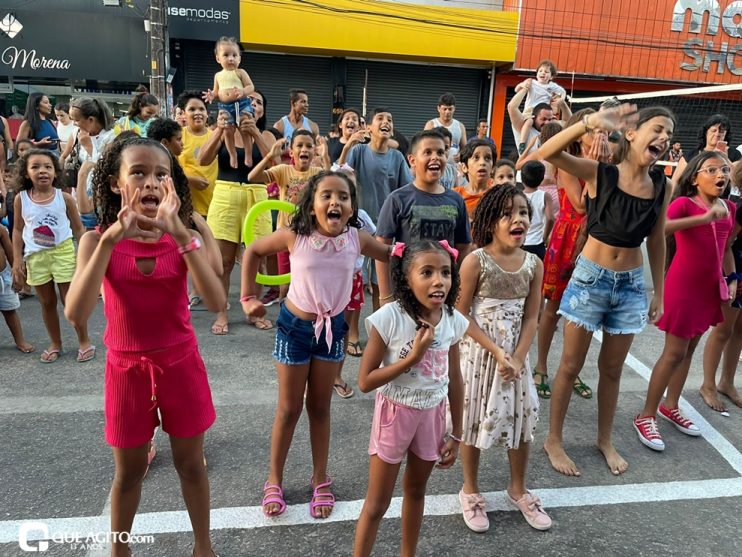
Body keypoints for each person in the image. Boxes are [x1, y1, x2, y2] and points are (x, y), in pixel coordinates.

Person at [64, 136, 224, 557]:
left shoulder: (180, 237)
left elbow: (217, 302)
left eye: (160, 174)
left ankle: (203, 547)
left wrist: (182, 234)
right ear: (117, 183)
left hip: (181, 363)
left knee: (191, 464)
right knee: (129, 473)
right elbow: (76, 314)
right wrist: (111, 239)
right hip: (125, 369)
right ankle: (120, 550)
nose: (150, 182)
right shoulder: (96, 241)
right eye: (138, 172)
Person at [240, 171, 391, 519]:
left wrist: (426, 252)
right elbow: (254, 251)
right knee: (289, 409)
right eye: (326, 196)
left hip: (332, 330)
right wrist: (248, 297)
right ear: (311, 207)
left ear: (352, 208)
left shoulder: (357, 238)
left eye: (343, 196)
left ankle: (320, 477)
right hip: (294, 329)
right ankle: (274, 479)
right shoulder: (296, 236)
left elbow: (390, 253)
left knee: (320, 409)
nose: (335, 202)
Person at [537, 105, 674, 477]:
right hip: (590, 279)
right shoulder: (601, 173)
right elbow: (547, 154)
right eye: (658, 129)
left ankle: (604, 439)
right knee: (569, 365)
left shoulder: (663, 184)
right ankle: (554, 439)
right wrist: (587, 123)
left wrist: (657, 292)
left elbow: (657, 239)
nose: (664, 138)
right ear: (631, 134)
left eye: (669, 134)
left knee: (612, 370)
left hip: (630, 287)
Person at [353, 239, 470, 556]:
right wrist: (411, 358)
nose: (439, 281)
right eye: (427, 272)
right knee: (377, 503)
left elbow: (455, 379)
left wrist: (455, 432)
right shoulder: (389, 318)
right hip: (395, 414)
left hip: (432, 415)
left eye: (446, 272)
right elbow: (365, 381)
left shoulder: (452, 320)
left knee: (416, 491)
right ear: (406, 278)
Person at [456, 184, 551, 533]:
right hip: (482, 357)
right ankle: (470, 490)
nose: (518, 219)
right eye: (508, 213)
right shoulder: (474, 261)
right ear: (490, 221)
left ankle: (518, 488)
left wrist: (519, 356)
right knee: (473, 420)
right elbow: (461, 314)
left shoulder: (534, 264)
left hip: (516, 359)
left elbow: (531, 317)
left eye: (524, 212)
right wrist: (498, 353)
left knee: (521, 420)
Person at [634, 152, 736, 450]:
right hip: (683, 287)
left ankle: (671, 405)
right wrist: (702, 218)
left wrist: (731, 278)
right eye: (712, 169)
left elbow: (726, 248)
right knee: (673, 352)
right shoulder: (684, 204)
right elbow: (659, 230)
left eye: (725, 169)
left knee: (689, 350)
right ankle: (646, 414)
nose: (721, 175)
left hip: (709, 290)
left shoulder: (728, 207)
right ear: (695, 177)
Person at [533, 109, 608, 401]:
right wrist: (598, 165)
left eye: (601, 132)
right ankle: (540, 366)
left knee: (582, 312)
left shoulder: (604, 163)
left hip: (594, 239)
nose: (598, 137)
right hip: (568, 239)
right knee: (552, 309)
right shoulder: (569, 162)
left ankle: (571, 369)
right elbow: (579, 205)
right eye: (593, 131)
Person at [199, 90, 276, 334]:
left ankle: (252, 308)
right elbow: (203, 159)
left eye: (258, 102)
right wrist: (221, 130)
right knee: (223, 261)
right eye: (249, 100)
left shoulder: (268, 135)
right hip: (226, 195)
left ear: (263, 111)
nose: (253, 104)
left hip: (257, 196)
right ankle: (222, 312)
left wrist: (253, 131)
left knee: (257, 260)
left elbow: (275, 165)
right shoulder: (223, 131)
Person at [11, 149, 92, 363]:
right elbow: (17, 230)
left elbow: (78, 229)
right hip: (36, 256)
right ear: (26, 173)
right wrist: (17, 260)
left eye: (47, 167)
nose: (42, 171)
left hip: (62, 252)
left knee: (70, 300)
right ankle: (56, 343)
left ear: (55, 172)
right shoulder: (21, 199)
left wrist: (85, 258)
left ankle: (84, 341)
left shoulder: (64, 198)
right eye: (35, 167)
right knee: (46, 302)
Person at [375, 130, 471, 306]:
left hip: (443, 291)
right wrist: (385, 295)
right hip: (406, 291)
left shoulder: (456, 200)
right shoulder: (397, 199)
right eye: (428, 152)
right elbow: (382, 248)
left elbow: (463, 248)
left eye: (440, 152)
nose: (435, 157)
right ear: (412, 160)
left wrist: (458, 289)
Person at [338, 107, 412, 310]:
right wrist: (347, 147)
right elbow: (339, 178)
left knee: (381, 284)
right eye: (380, 118)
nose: (385, 122)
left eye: (389, 119)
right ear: (369, 127)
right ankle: (351, 336)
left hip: (387, 230)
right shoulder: (358, 151)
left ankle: (378, 333)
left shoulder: (397, 157)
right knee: (354, 282)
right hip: (358, 228)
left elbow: (407, 191)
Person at [249, 129, 329, 301]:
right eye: (299, 145)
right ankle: (285, 317)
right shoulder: (283, 170)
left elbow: (334, 184)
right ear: (291, 151)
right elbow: (252, 176)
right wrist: (270, 155)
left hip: (310, 235)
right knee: (285, 285)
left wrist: (325, 157)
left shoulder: (318, 172)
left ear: (315, 150)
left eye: (309, 146)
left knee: (308, 282)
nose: (304, 149)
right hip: (286, 234)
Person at [203, 36, 256, 169]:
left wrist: (243, 92)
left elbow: (251, 87)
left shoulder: (240, 72)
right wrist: (212, 96)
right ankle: (232, 154)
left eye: (234, 55)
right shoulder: (218, 75)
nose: (231, 58)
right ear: (218, 58)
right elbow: (216, 92)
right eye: (226, 55)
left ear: (239, 58)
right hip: (225, 106)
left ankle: (248, 153)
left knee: (244, 127)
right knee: (227, 130)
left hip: (241, 104)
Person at [69, 97, 116, 232]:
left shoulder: (111, 137)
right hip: (82, 190)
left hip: (100, 195)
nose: (74, 124)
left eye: (76, 120)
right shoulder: (79, 134)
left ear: (91, 119)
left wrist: (89, 147)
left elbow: (105, 166)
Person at [673, 114, 741, 187]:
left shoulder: (734, 154)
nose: (717, 134)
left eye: (721, 131)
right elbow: (675, 181)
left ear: (726, 134)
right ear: (706, 132)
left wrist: (725, 159)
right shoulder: (691, 155)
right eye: (713, 130)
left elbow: (738, 179)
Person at [514, 60, 567, 154]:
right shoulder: (532, 82)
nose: (543, 73)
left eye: (546, 72)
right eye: (540, 71)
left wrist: (561, 100)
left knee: (556, 125)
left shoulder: (552, 86)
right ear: (537, 73)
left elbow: (562, 92)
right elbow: (516, 89)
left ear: (551, 76)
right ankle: (522, 143)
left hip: (544, 111)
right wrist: (523, 85)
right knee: (528, 122)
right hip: (530, 111)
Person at [508, 82, 570, 156]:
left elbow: (569, 123)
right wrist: (525, 88)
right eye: (543, 119)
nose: (547, 123)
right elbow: (512, 107)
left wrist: (562, 103)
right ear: (534, 118)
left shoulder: (553, 128)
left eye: (549, 119)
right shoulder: (524, 127)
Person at [0, 224, 33, 353]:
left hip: (3, 277)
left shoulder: (1, 230)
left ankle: (20, 340)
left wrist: (17, 275)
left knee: (10, 310)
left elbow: (11, 254)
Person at [454, 139, 497, 221]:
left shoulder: (498, 196)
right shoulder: (455, 196)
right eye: (476, 157)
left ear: (492, 168)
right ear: (464, 167)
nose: (482, 163)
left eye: (487, 158)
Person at [521, 160, 554, 260]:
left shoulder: (517, 196)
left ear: (521, 178)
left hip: (520, 242)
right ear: (542, 178)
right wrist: (545, 237)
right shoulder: (545, 196)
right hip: (537, 243)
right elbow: (550, 219)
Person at [424, 92, 467, 162]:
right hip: (435, 165)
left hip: (454, 168)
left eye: (450, 109)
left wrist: (461, 155)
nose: (447, 112)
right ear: (438, 108)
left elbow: (465, 149)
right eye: (445, 109)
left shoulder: (460, 126)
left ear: (454, 109)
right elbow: (424, 145)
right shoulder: (431, 124)